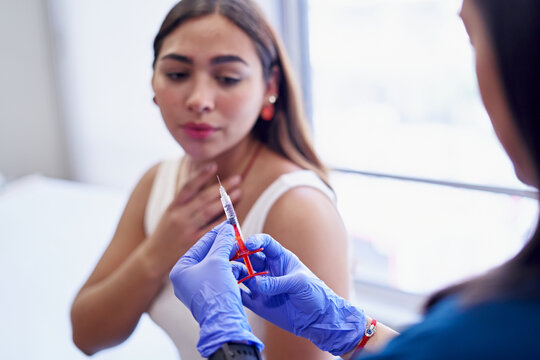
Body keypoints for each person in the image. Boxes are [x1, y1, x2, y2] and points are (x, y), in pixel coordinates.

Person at [169, 0, 540, 358]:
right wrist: (352, 330)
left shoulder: (502, 325)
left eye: (473, 40)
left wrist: (228, 345)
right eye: (177, 73)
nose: (199, 100)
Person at [69, 1, 351, 359]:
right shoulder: (157, 181)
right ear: (153, 83)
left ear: (270, 86)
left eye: (228, 78)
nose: (199, 100)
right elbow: (87, 334)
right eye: (176, 74)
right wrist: (158, 252)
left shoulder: (298, 208)